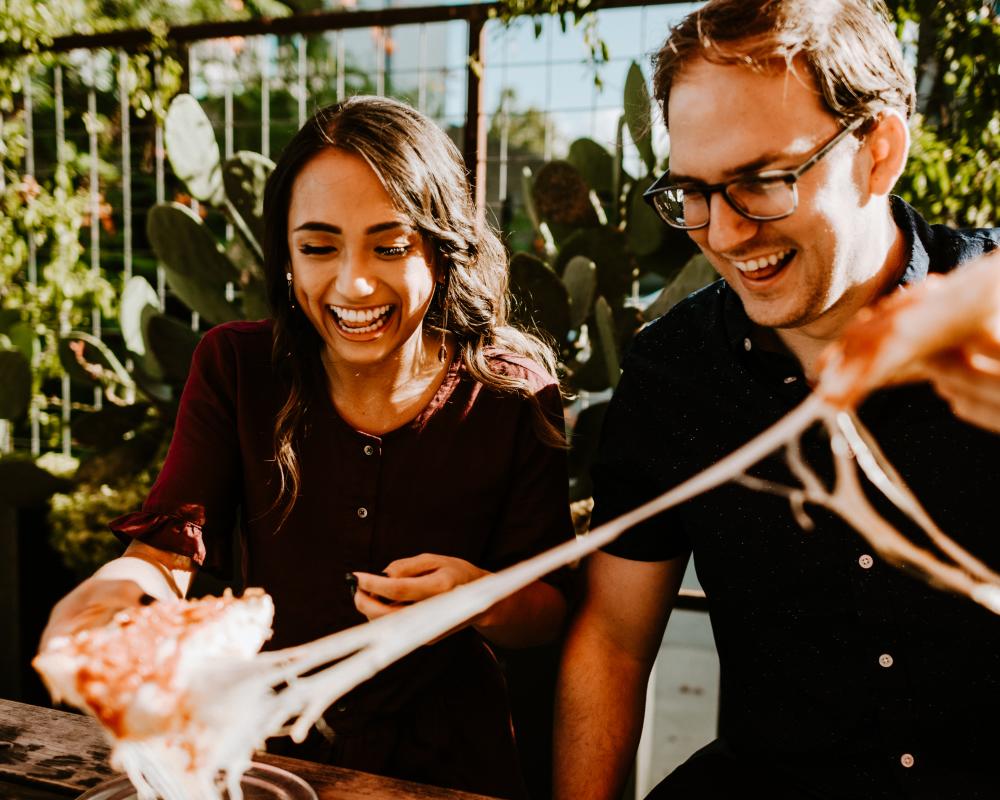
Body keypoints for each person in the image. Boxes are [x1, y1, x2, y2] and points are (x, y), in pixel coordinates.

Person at [42, 95, 574, 800]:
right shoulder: (235, 366)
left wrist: (478, 599)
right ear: (286, 253)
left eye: (390, 246)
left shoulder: (513, 396)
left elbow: (551, 614)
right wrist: (117, 590)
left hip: (451, 771)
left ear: (442, 248)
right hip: (263, 752)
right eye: (318, 247)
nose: (353, 282)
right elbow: (173, 543)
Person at [553, 1, 1000, 799]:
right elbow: (614, 641)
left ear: (880, 152)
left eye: (762, 182)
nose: (723, 234)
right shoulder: (674, 372)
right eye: (692, 191)